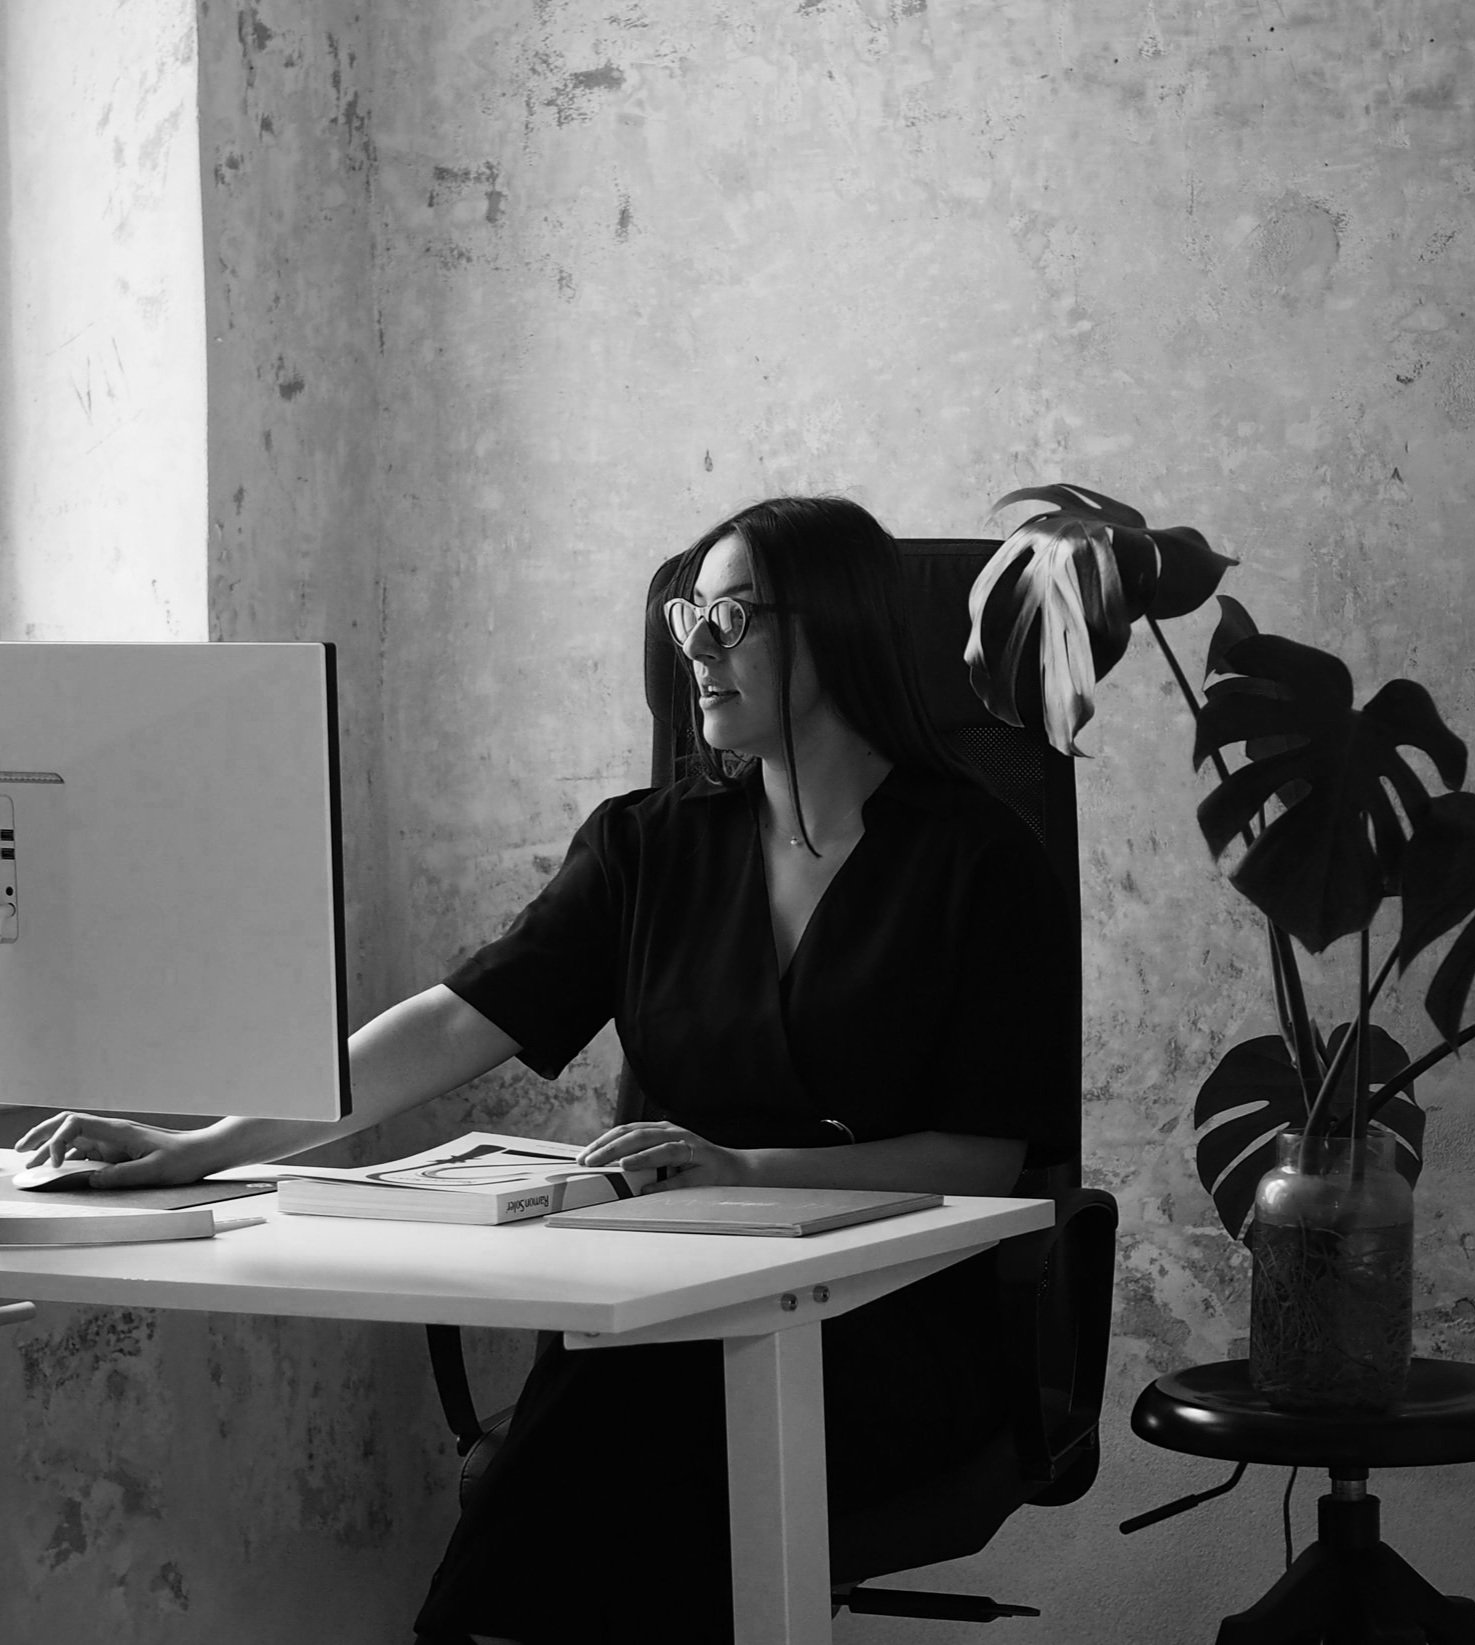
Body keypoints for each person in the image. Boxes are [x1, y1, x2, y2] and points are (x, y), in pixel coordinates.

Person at [16, 496, 1080, 1644]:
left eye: (732, 616)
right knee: (631, 1393)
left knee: (628, 1417)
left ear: (840, 631)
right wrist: (198, 1147)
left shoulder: (978, 859)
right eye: (688, 617)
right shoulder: (648, 845)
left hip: (892, 1322)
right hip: (673, 1303)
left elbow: (980, 1159)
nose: (697, 651)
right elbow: (446, 1025)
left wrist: (735, 1169)